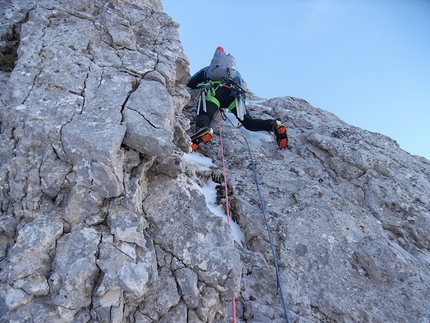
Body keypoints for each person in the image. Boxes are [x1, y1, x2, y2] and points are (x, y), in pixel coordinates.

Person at [187, 46, 288, 151]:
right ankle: (273, 125)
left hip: (214, 94)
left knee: (205, 115)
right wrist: (241, 108)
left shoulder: (208, 69)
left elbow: (190, 83)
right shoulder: (235, 72)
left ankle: (203, 129)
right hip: (233, 97)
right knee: (249, 123)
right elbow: (240, 88)